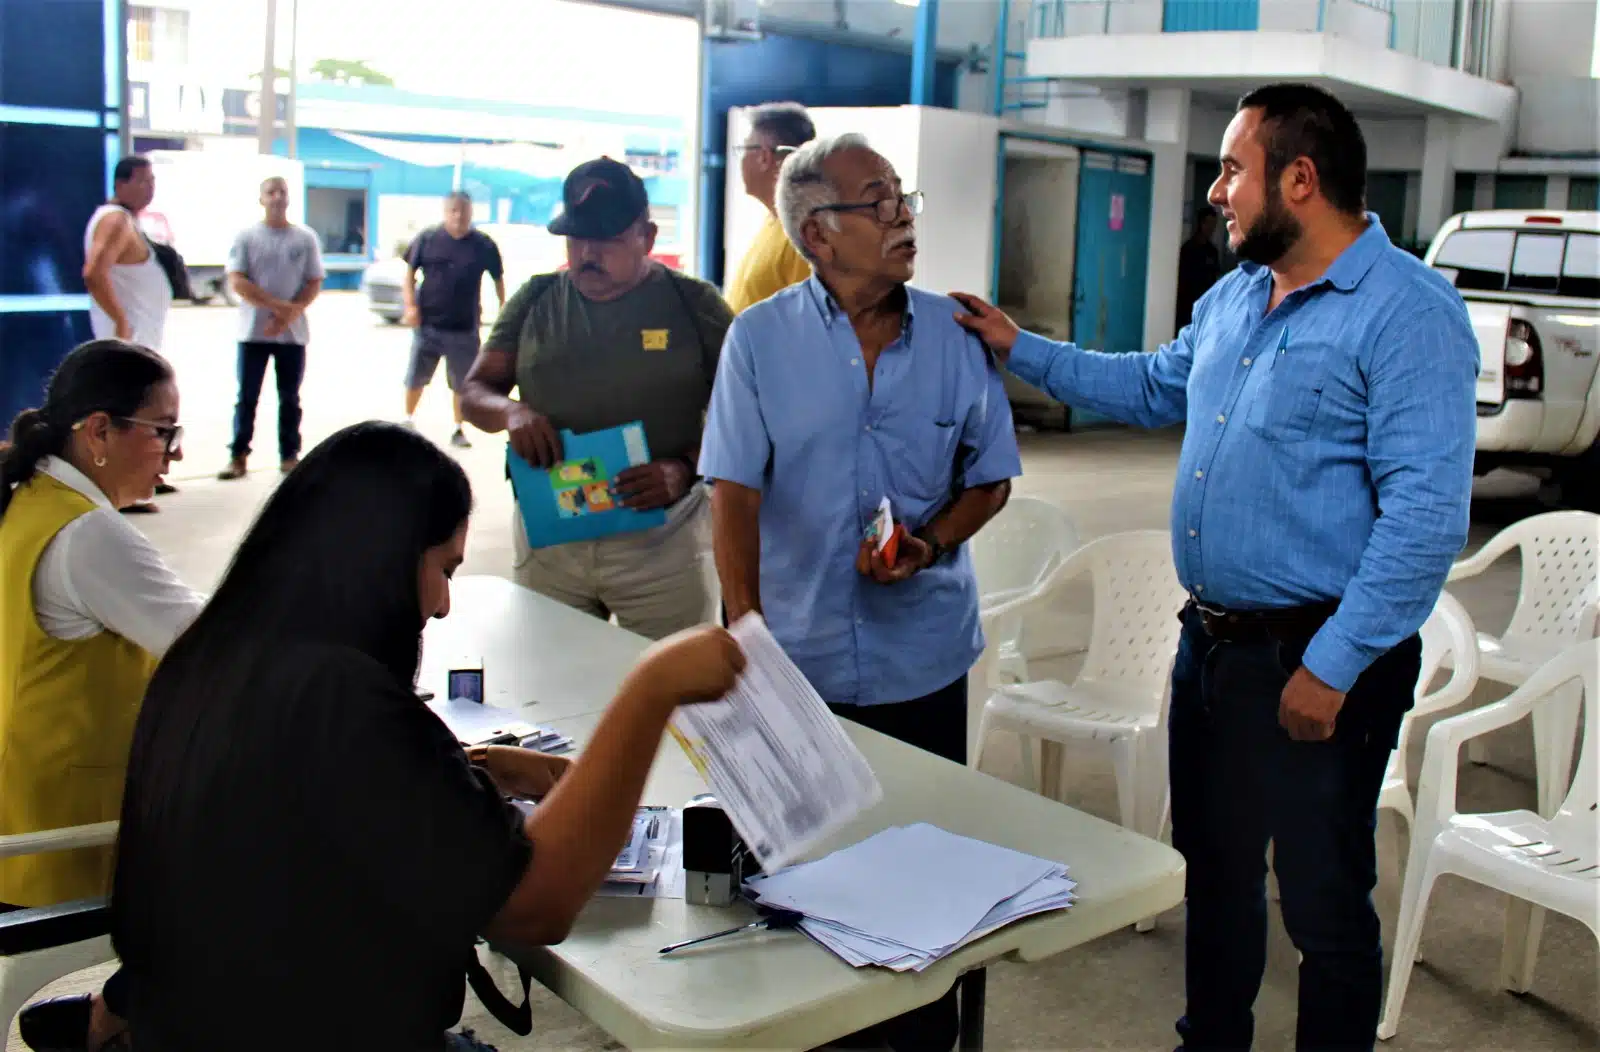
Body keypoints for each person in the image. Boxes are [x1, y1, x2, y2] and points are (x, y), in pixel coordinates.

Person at [949, 83, 1478, 1052]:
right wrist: (1020, 348)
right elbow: (1154, 385)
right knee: (1217, 870)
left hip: (1319, 656)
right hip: (1215, 648)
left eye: (1233, 169)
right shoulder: (1237, 295)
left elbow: (1424, 517)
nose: (1217, 193)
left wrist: (1334, 663)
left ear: (1301, 179)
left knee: (1322, 897)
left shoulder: (1407, 313)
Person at [108, 422, 746, 1051]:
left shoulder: (217, 653)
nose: (442, 603)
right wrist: (649, 690)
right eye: (443, 568)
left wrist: (463, 771)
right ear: (382, 557)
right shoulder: (342, 697)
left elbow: (301, 797)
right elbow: (536, 906)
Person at [698, 133, 1021, 1052]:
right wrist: (746, 636)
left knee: (923, 874)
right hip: (797, 662)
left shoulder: (957, 341)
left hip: (922, 661)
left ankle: (924, 1034)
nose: (903, 216)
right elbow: (734, 492)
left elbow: (990, 476)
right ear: (818, 233)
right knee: (805, 878)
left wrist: (931, 543)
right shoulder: (760, 341)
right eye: (877, 203)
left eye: (902, 197)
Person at [0, 339, 203, 1052]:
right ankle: (114, 1018)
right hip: (64, 830)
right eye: (162, 431)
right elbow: (216, 645)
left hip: (20, 797)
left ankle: (107, 1016)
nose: (171, 454)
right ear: (98, 431)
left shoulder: (30, 500)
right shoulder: (88, 536)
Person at [462, 157, 733, 641]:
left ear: (646, 238)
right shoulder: (537, 300)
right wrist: (512, 412)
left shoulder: (695, 306)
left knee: (676, 696)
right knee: (549, 690)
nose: (588, 253)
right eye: (576, 237)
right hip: (552, 538)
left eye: (606, 239)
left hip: (661, 542)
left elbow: (748, 416)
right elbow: (474, 393)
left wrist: (686, 467)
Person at [83, 156, 176, 512]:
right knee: (128, 417)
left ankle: (140, 481)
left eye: (153, 180)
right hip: (126, 344)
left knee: (138, 413)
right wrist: (120, 322)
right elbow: (94, 272)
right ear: (121, 184)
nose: (150, 188)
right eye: (143, 180)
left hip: (137, 342)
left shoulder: (125, 221)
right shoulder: (115, 220)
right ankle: (124, 489)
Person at [218, 176, 325, 481]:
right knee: (247, 396)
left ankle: (289, 456)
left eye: (282, 192)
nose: (277, 197)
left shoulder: (305, 238)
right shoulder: (247, 236)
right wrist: (278, 308)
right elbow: (237, 280)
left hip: (292, 336)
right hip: (253, 333)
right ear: (261, 198)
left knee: (290, 397)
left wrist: (290, 314)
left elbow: (314, 280)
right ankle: (238, 455)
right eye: (270, 192)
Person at [401, 191, 505, 448]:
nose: (459, 216)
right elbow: (409, 274)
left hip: (464, 328)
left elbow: (498, 279)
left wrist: (504, 310)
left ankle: (459, 429)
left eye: (464, 211)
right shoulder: (427, 239)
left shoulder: (484, 245)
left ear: (471, 213)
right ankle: (407, 420)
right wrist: (411, 306)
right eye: (454, 210)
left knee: (462, 383)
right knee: (416, 376)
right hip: (428, 325)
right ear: (445, 211)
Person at [725, 101, 815, 313]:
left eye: (744, 149)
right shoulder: (774, 220)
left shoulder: (803, 233)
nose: (741, 160)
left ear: (764, 157)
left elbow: (807, 323)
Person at [1175, 206, 1222, 329]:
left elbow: (1215, 277)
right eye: (1208, 223)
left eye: (1214, 224)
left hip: (1206, 305)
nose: (1211, 228)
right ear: (1201, 223)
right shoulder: (1188, 249)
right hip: (1187, 306)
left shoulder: (1212, 251)